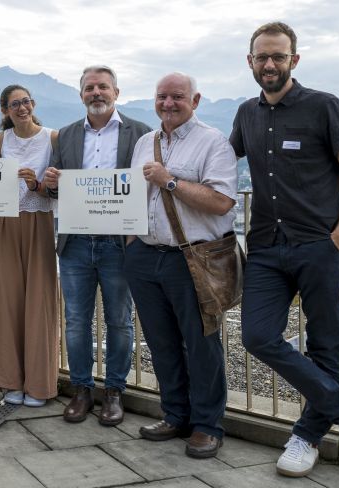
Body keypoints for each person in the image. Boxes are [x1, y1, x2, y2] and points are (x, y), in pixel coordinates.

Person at [230, 21, 339, 479]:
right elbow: (215, 164)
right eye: (262, 57)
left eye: (278, 56)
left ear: (294, 60)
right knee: (257, 336)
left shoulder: (324, 107)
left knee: (326, 344)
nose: (269, 64)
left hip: (320, 246)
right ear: (250, 62)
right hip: (267, 249)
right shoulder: (245, 114)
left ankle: (308, 436)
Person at [124, 73, 236, 458]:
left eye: (177, 97)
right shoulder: (144, 142)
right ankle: (175, 414)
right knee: (161, 342)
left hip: (191, 257)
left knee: (202, 343)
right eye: (162, 97)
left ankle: (207, 425)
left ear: (196, 99)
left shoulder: (213, 142)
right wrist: (131, 240)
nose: (168, 103)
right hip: (145, 255)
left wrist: (170, 181)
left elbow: (222, 202)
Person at [43, 65, 151, 425]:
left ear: (116, 93)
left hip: (120, 244)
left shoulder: (140, 133)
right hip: (75, 242)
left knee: (120, 322)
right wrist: (52, 180)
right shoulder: (68, 135)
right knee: (76, 322)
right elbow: (54, 188)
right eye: (89, 88)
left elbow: (147, 188)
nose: (96, 93)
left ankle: (115, 391)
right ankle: (82, 389)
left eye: (103, 87)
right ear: (81, 95)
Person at [0, 85, 59, 407]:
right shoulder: (0, 141)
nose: (21, 108)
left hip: (39, 220)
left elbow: (58, 186)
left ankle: (39, 383)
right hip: (6, 221)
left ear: (33, 103)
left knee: (40, 301)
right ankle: (10, 380)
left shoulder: (52, 138)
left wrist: (37, 184)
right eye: (14, 104)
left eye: (26, 101)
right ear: (5, 111)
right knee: (7, 300)